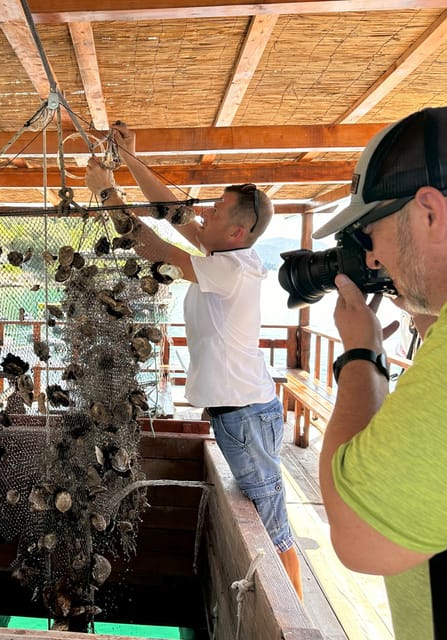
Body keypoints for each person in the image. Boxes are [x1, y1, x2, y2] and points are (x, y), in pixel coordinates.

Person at [313, 106, 447, 639]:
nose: (371, 262)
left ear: (429, 213)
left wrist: (362, 356)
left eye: (369, 235)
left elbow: (360, 538)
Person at [85, 122, 303, 600]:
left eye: (218, 209)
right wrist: (129, 158)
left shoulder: (230, 266)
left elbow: (152, 246)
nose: (204, 212)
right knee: (267, 515)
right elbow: (174, 211)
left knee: (273, 525)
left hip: (245, 416)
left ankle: (295, 622)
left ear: (239, 229)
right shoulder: (223, 252)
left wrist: (106, 194)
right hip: (241, 413)